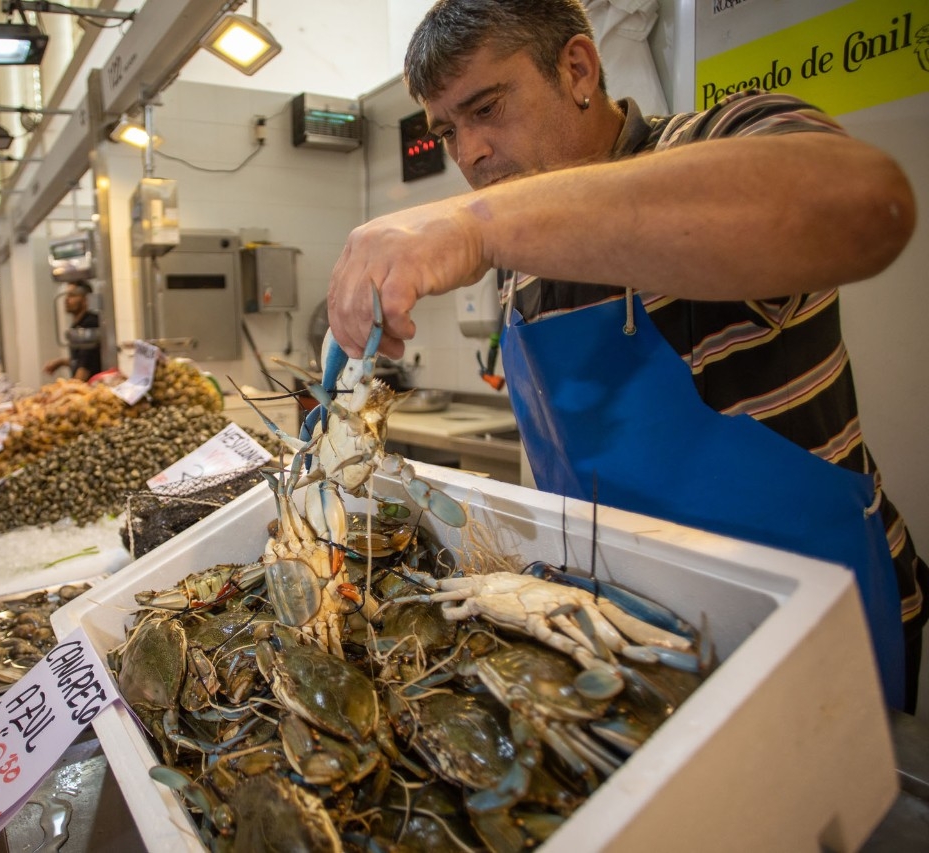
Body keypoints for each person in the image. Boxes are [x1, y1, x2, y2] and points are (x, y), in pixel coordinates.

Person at [326, 0, 923, 711]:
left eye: (487, 108)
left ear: (577, 67)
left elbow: (863, 204)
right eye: (450, 130)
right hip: (624, 636)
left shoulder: (709, 141)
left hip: (809, 626)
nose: (470, 153)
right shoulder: (521, 262)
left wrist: (477, 227)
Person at [43, 280, 102, 381]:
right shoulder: (77, 324)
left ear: (85, 300)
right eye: (67, 295)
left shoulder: (89, 324)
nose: (66, 299)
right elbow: (78, 359)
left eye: (72, 296)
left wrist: (72, 389)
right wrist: (61, 362)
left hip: (91, 385)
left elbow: (85, 365)